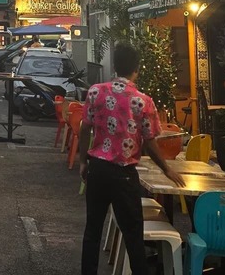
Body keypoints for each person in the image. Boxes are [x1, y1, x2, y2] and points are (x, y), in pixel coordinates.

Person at [79, 43, 184, 275]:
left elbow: (85, 128)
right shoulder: (142, 101)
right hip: (124, 175)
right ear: (136, 68)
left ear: (115, 66)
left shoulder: (95, 92)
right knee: (133, 233)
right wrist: (166, 169)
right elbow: (150, 141)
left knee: (92, 230)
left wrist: (83, 161)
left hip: (98, 169)